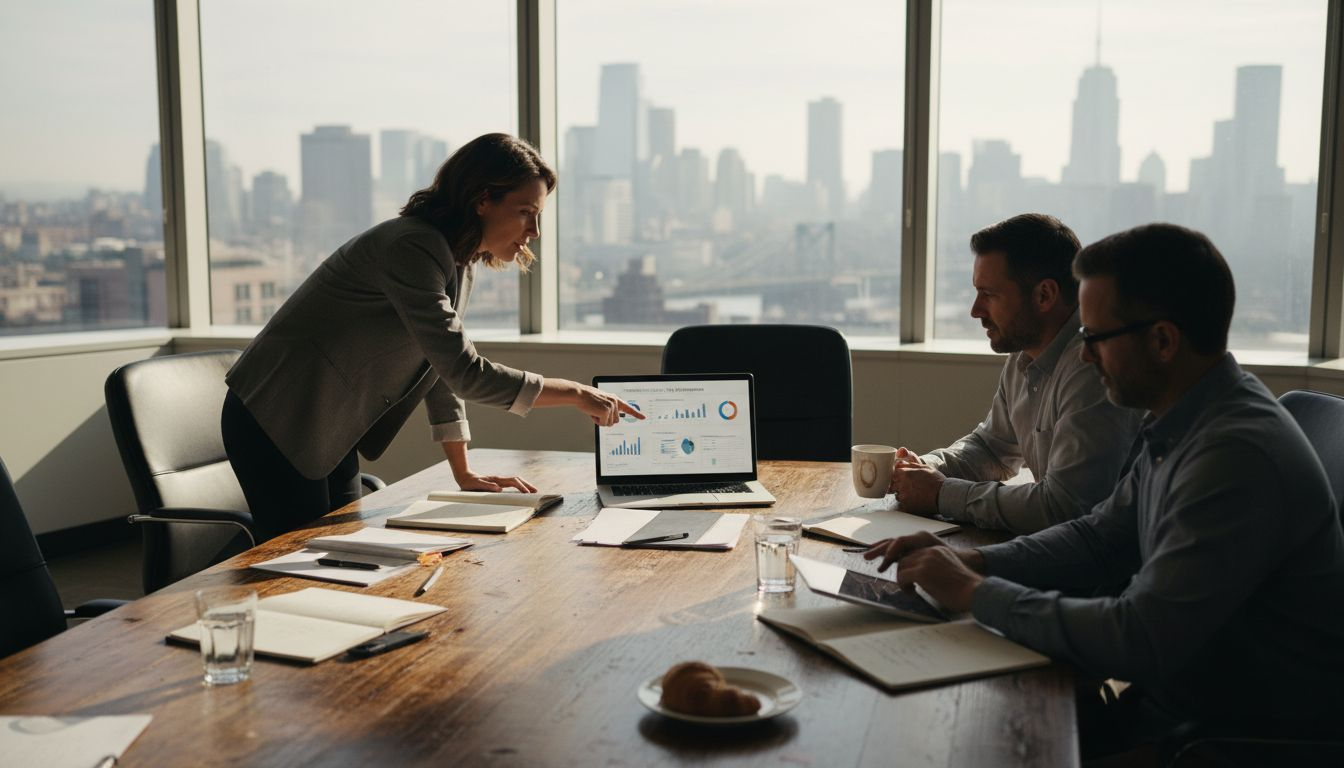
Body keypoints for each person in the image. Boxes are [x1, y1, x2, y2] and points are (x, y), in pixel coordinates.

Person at [866, 224, 1344, 758]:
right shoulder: (1185, 419)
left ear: (1162, 341)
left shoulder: (1232, 455)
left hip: (1227, 737)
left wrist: (975, 593)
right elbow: (1100, 537)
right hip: (1177, 706)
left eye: (1095, 338)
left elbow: (1139, 638)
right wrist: (974, 563)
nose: (1086, 357)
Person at [222, 133, 641, 541]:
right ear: (482, 199)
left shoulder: (457, 260)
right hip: (277, 413)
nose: (534, 230)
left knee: (337, 548)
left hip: (328, 421)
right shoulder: (412, 247)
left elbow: (438, 368)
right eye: (524, 212)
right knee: (296, 558)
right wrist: (574, 393)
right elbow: (464, 372)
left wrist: (463, 472)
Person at [888, 213, 1141, 534]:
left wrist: (941, 494)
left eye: (989, 294)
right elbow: (992, 449)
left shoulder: (1092, 365)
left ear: (1045, 295)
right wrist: (925, 468)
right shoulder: (1024, 354)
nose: (975, 310)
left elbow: (1065, 507)